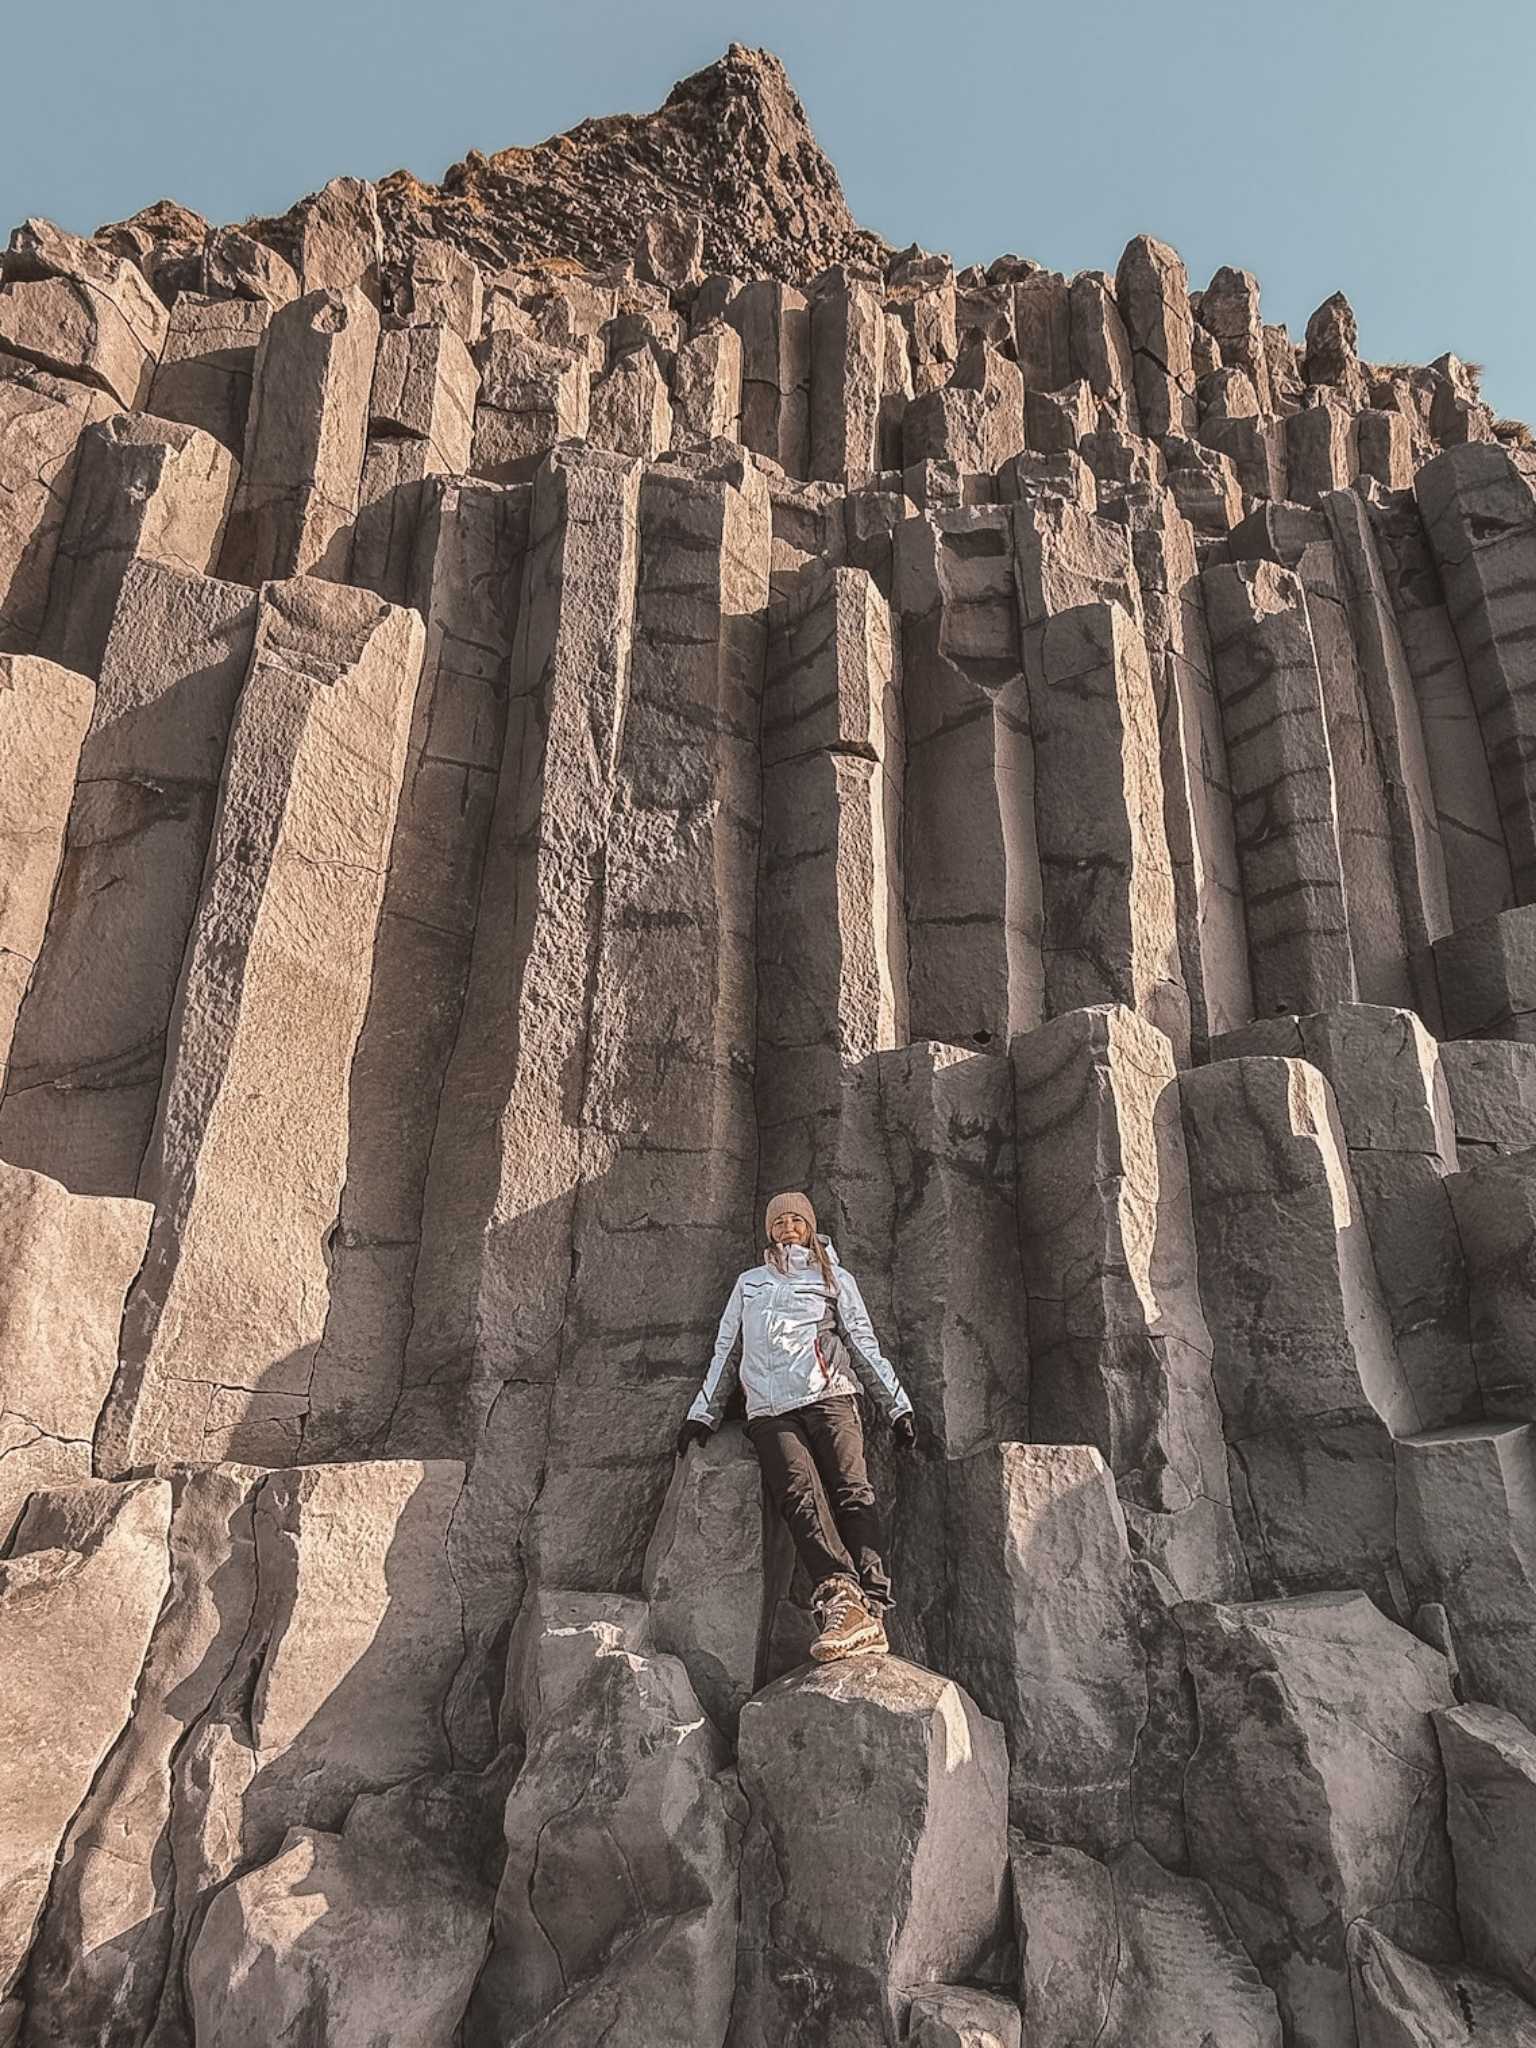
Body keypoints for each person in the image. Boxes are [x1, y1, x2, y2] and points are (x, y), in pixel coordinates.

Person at [675, 1189, 917, 1661]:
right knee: (798, 1496)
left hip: (830, 1396)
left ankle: (873, 1606)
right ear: (769, 1229)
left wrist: (897, 1406)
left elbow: (863, 1342)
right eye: (780, 1221)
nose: (788, 1228)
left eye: (796, 1221)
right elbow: (727, 1350)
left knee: (852, 1492)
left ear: (810, 1226)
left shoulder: (834, 1277)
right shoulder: (749, 1283)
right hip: (769, 1410)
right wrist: (703, 1411)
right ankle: (840, 1596)